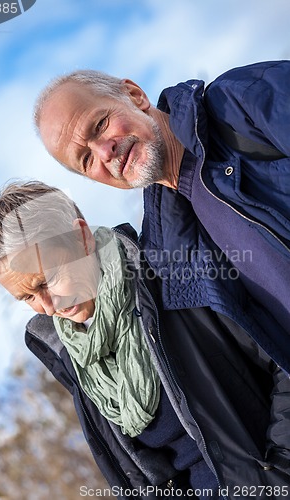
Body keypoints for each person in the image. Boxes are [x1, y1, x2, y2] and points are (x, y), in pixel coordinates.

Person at [0, 181, 290, 498]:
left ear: (82, 237)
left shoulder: (173, 274)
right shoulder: (74, 357)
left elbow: (282, 357)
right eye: (27, 297)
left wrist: (279, 474)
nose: (47, 306)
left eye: (48, 280)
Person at [33, 61, 290, 376]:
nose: (105, 152)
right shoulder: (169, 257)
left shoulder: (243, 101)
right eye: (86, 159)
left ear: (134, 95)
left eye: (99, 125)